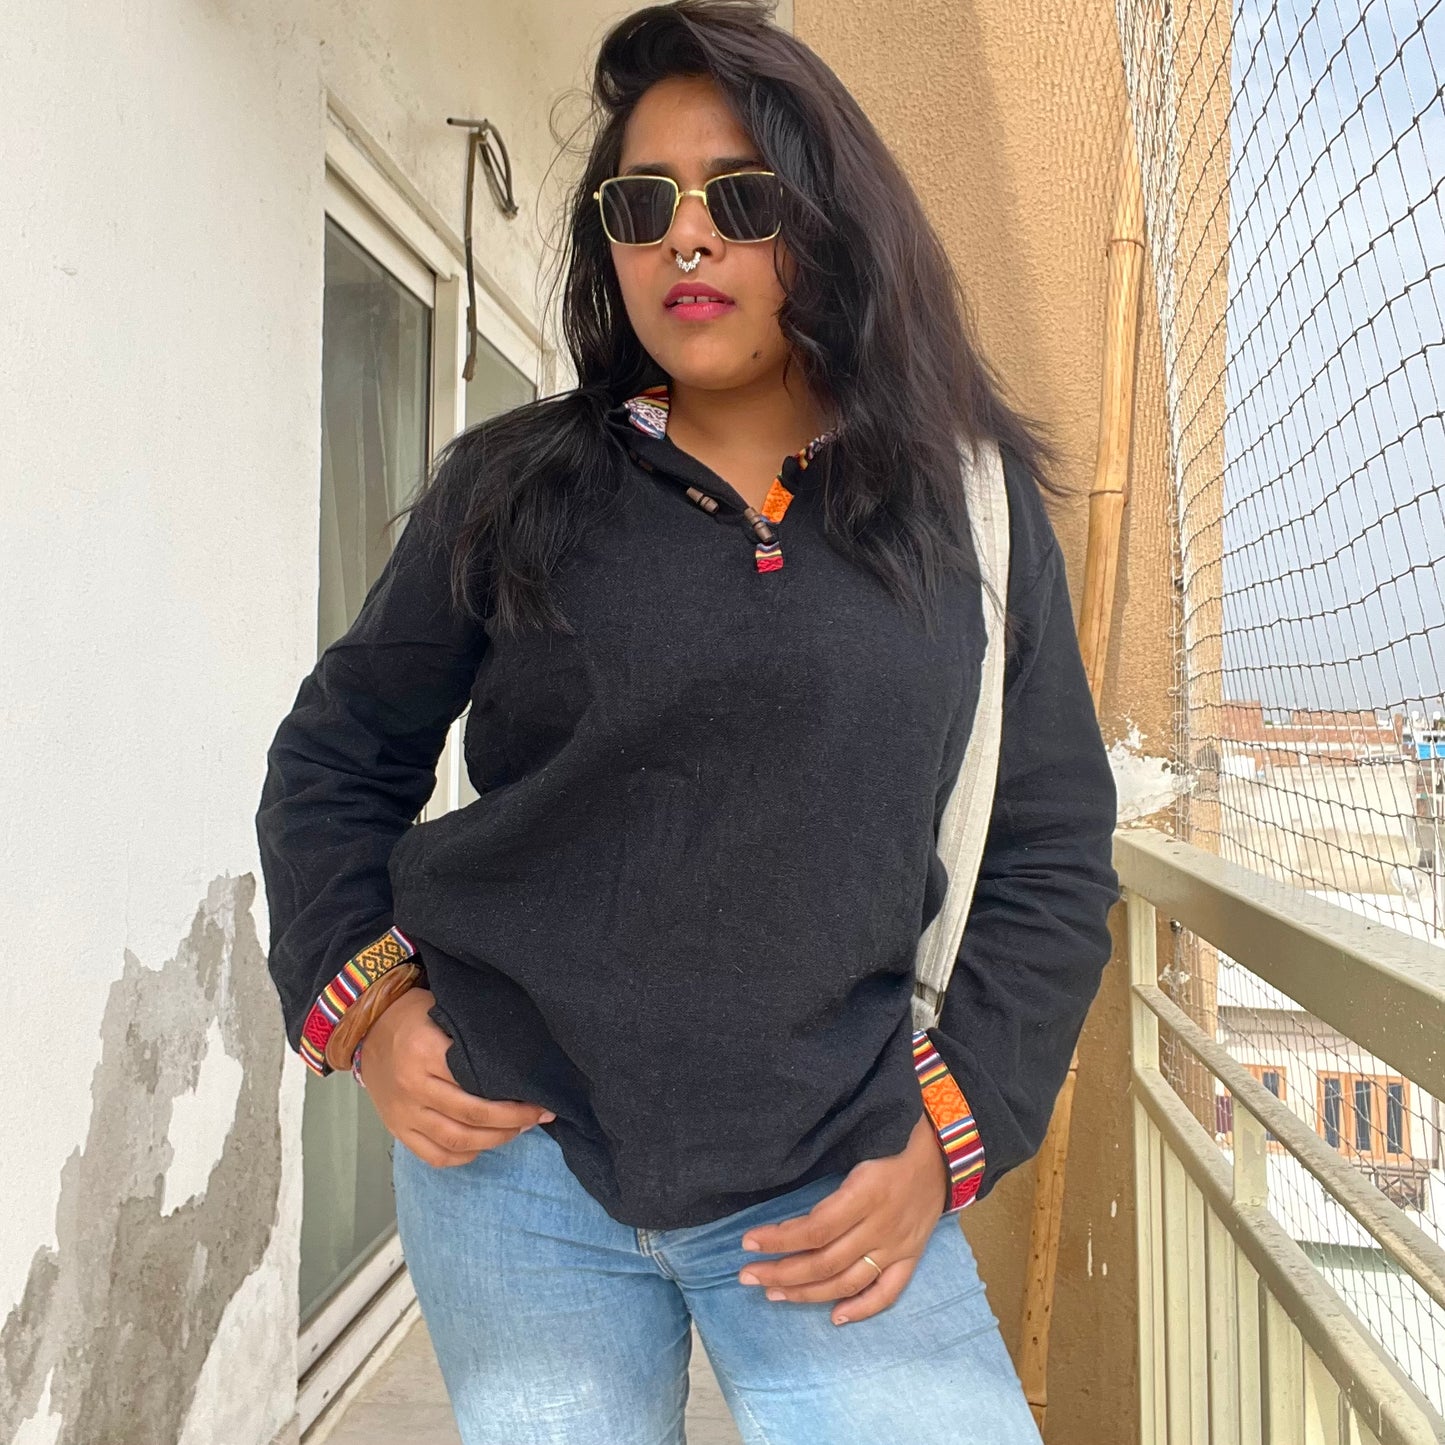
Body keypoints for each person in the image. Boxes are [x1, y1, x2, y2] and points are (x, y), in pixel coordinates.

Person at [254, 2, 1120, 1440]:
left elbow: (1051, 846)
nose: (687, 240)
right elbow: (336, 756)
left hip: (831, 1174)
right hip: (515, 1172)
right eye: (642, 205)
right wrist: (373, 1013)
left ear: (826, 223)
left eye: (741, 198)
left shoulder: (964, 507)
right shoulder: (512, 488)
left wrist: (948, 1134)